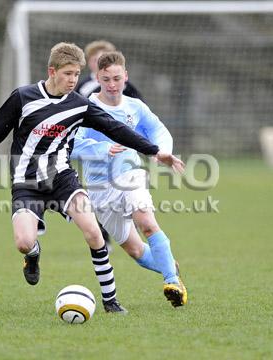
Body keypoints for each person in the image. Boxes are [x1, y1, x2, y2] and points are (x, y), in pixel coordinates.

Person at [0, 42, 184, 314]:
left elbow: (117, 129)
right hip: (26, 184)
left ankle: (111, 301)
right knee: (23, 242)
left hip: (63, 180)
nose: (73, 80)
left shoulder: (79, 104)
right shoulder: (23, 98)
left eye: (76, 74)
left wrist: (157, 152)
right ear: (52, 71)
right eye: (67, 74)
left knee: (93, 232)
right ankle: (33, 255)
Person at [71, 51, 188, 307]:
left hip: (130, 173)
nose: (112, 85)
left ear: (126, 76)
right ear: (98, 78)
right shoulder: (85, 107)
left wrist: (162, 150)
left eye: (116, 78)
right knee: (135, 251)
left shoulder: (135, 107)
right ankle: (170, 266)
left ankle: (172, 282)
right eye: (106, 80)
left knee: (146, 222)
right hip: (100, 186)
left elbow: (158, 130)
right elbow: (71, 144)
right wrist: (101, 149)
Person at [76, 40, 144, 249]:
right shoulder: (84, 88)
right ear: (90, 64)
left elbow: (139, 112)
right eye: (97, 59)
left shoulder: (127, 88)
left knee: (129, 191)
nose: (102, 62)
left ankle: (137, 228)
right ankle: (103, 236)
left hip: (124, 151)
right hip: (94, 152)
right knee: (100, 195)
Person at [75, 40, 143, 100]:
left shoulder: (124, 85)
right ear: (88, 61)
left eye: (102, 59)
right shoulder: (83, 85)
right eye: (95, 60)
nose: (99, 63)